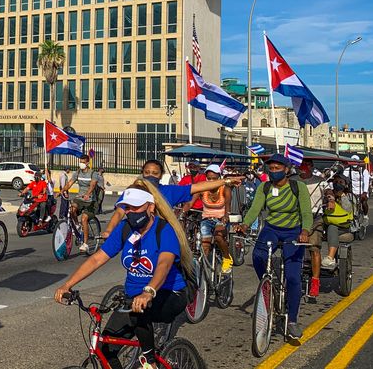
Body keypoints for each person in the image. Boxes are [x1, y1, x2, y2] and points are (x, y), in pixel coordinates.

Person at [54, 185, 193, 369]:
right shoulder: (125, 229)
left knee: (139, 311)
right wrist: (67, 285)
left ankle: (150, 361)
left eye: (135, 207)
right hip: (134, 298)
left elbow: (164, 265)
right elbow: (97, 259)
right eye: (127, 208)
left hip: (168, 293)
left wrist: (148, 291)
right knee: (105, 350)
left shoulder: (164, 230)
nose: (130, 212)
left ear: (150, 206)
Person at [237, 153, 312, 340]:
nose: (274, 171)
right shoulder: (265, 187)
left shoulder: (298, 187)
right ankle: (267, 285)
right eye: (271, 168)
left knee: (294, 277)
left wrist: (305, 231)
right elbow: (255, 209)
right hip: (272, 228)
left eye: (278, 168)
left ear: (287, 170)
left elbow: (306, 212)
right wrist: (245, 224)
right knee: (257, 256)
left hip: (293, 231)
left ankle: (292, 320)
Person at [101, 160, 238, 239]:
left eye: (155, 173)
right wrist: (109, 230)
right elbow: (119, 212)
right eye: (147, 172)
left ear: (161, 176)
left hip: (161, 237)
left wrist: (226, 181)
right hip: (135, 237)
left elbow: (199, 187)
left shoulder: (168, 191)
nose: (150, 176)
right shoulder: (132, 191)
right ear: (142, 173)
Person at [62, 154, 103, 253]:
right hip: (80, 199)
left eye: (83, 162)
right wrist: (62, 190)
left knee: (84, 218)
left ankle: (85, 244)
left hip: (92, 201)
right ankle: (77, 225)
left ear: (88, 163)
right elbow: (70, 183)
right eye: (80, 162)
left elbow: (92, 185)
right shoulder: (78, 172)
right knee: (72, 210)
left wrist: (88, 194)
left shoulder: (93, 174)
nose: (81, 164)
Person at [199, 164, 233, 274]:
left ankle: (227, 258)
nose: (211, 181)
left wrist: (226, 216)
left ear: (219, 177)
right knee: (204, 244)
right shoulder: (202, 187)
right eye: (209, 178)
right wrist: (182, 211)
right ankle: (204, 269)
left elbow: (228, 206)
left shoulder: (225, 188)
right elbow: (190, 201)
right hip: (206, 219)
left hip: (220, 219)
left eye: (214, 178)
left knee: (218, 237)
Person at [301, 160, 326, 298]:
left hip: (315, 216)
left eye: (307, 165)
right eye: (301, 165)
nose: (303, 168)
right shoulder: (293, 180)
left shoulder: (320, 181)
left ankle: (315, 282)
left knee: (314, 248)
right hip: (296, 217)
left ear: (311, 167)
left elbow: (328, 191)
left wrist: (330, 198)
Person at [321, 178, 354, 269]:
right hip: (325, 224)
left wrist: (342, 196)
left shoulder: (349, 196)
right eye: (335, 182)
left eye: (340, 182)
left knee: (332, 227)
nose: (337, 184)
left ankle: (330, 258)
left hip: (342, 227)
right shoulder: (328, 195)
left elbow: (348, 209)